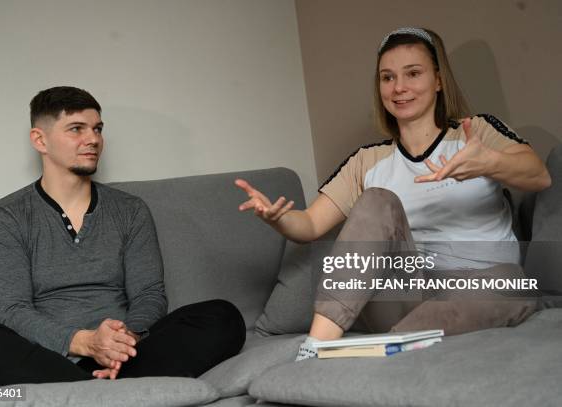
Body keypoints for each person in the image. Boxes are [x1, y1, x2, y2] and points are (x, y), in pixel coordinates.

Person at [235, 27, 551, 360]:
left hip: (484, 287)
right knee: (377, 199)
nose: (399, 88)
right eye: (387, 78)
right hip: (405, 295)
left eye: (413, 73)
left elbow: (538, 176)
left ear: (439, 80)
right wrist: (278, 218)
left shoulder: (478, 132)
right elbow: (310, 226)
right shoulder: (366, 161)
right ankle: (315, 349)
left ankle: (391, 347)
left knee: (510, 281)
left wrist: (491, 162)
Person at [0, 86, 245, 386]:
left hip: (129, 354)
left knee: (222, 316)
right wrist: (85, 342)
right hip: (46, 354)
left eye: (97, 129)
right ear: (40, 140)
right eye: (77, 129)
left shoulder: (130, 210)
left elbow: (149, 294)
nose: (93, 139)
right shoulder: (4, 216)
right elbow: (11, 309)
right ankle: (98, 388)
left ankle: (82, 391)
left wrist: (123, 341)